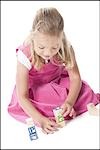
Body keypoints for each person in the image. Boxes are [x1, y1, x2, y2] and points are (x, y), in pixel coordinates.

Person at [8, 7, 100, 134]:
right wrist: (40, 119)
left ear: (60, 39)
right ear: (33, 37)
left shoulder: (65, 48)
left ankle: (64, 107)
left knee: (84, 91)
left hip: (57, 81)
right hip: (35, 89)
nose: (47, 53)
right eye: (41, 47)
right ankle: (50, 111)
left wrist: (69, 102)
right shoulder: (25, 54)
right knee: (42, 104)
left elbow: (75, 78)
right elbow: (22, 96)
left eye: (54, 47)